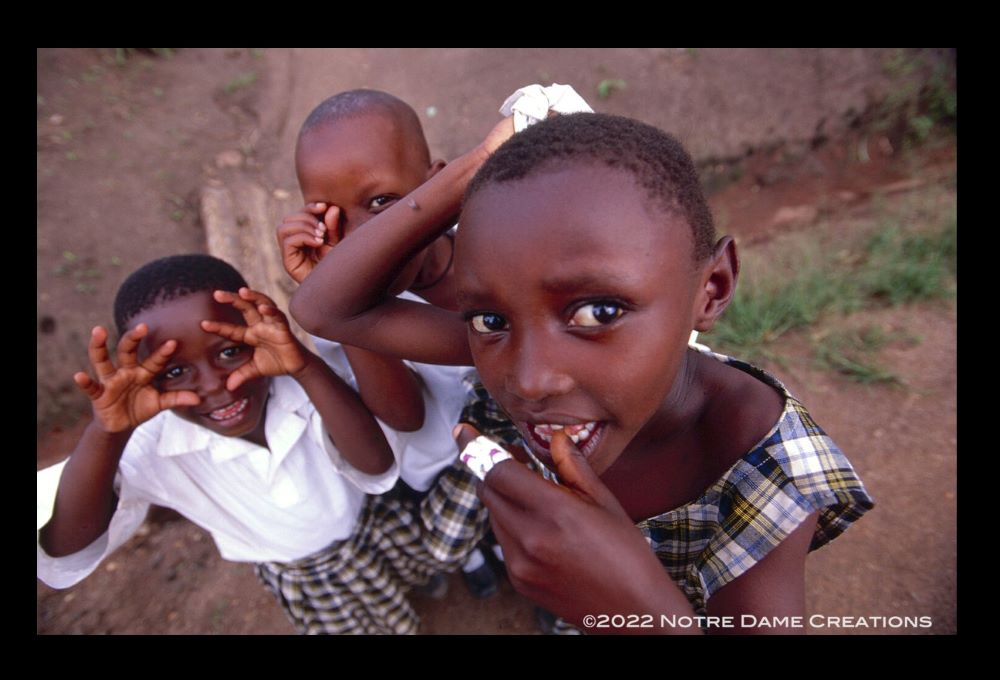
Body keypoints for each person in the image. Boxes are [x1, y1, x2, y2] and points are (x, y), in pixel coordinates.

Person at [290, 112, 875, 634]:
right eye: (489, 317)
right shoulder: (525, 352)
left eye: (599, 312)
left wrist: (645, 617)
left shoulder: (763, 468)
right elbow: (325, 309)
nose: (529, 383)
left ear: (711, 288)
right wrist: (469, 173)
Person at [36, 254, 485, 634]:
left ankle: (424, 582)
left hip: (374, 526)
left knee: (423, 561)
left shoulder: (299, 388)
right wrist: (107, 432)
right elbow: (66, 546)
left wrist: (305, 366)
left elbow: (375, 462)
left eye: (230, 350)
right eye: (174, 371)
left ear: (258, 329)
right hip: (308, 579)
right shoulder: (149, 444)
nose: (217, 386)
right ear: (143, 376)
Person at [278, 89, 507, 598]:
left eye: (382, 203)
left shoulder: (498, 248)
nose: (360, 238)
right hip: (439, 462)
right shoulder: (332, 305)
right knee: (459, 536)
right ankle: (477, 555)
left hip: (522, 436)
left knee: (524, 524)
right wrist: (347, 306)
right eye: (330, 213)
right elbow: (405, 417)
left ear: (438, 184)